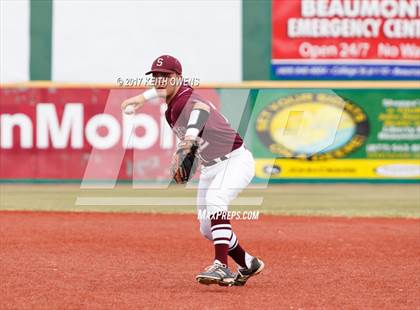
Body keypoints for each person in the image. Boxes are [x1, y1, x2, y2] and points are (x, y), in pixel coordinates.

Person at [121, 55, 264, 286]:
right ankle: (248, 263)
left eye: (165, 76)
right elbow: (161, 90)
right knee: (207, 227)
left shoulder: (186, 100)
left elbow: (200, 109)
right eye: (156, 76)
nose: (159, 80)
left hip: (235, 160)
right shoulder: (175, 97)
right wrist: (141, 97)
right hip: (210, 167)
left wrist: (188, 139)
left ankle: (221, 266)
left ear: (178, 78)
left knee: (216, 198)